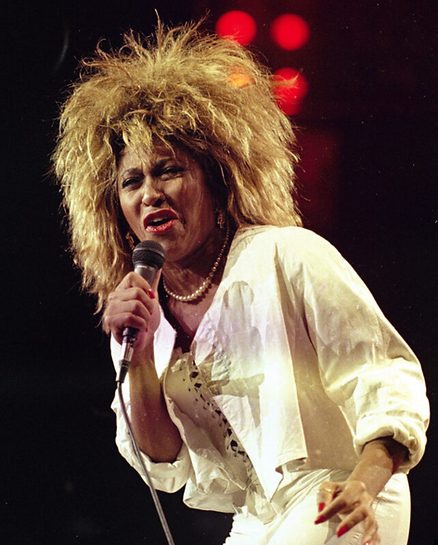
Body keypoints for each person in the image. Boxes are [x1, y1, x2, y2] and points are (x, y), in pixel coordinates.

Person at [52, 20, 429, 545]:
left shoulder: (286, 254)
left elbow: (383, 376)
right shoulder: (140, 312)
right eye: (132, 181)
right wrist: (137, 356)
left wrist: (364, 485)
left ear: (215, 177)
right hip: (255, 516)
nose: (150, 192)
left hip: (340, 488)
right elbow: (163, 457)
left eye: (168, 170)